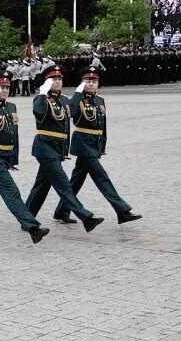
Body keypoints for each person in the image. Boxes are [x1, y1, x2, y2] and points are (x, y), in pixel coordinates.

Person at [52, 65, 142, 225]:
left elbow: (102, 125)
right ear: (82, 83)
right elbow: (70, 113)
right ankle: (122, 211)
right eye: (88, 81)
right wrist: (77, 94)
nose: (91, 84)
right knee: (102, 178)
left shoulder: (100, 101)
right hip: (83, 143)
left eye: (94, 81)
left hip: (94, 144)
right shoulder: (77, 99)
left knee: (75, 181)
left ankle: (61, 211)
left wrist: (102, 146)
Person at [0, 71, 50, 245]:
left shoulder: (11, 107)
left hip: (4, 158)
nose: (4, 90)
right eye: (0, 87)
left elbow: (14, 135)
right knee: (11, 191)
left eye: (6, 87)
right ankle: (32, 227)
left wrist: (12, 159)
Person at [25, 64, 104, 231]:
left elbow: (71, 117)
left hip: (56, 148)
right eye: (53, 78)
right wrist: (41, 93)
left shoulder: (64, 100)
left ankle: (27, 217)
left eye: (60, 78)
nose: (58, 81)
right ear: (46, 81)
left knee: (41, 186)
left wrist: (77, 94)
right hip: (45, 148)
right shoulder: (42, 99)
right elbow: (38, 112)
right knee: (63, 184)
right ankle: (85, 217)